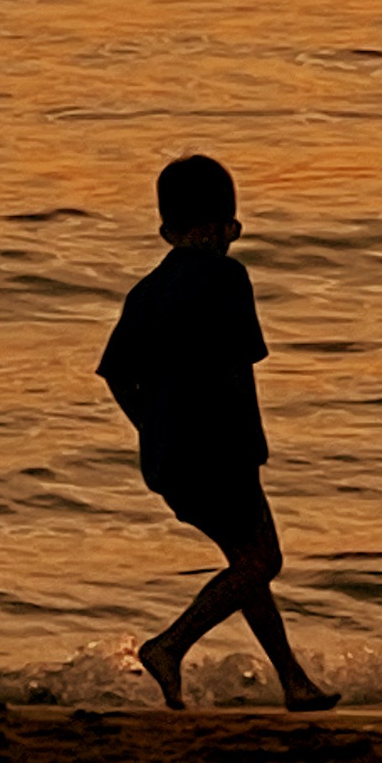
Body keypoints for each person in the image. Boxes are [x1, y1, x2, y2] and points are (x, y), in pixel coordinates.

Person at [98, 152, 336, 713]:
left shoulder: (146, 291)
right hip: (221, 449)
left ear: (165, 231)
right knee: (261, 562)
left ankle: (294, 683)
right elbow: (239, 364)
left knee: (247, 563)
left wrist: (152, 427)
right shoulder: (228, 275)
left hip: (168, 457)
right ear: (233, 225)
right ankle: (168, 646)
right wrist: (246, 445)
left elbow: (114, 373)